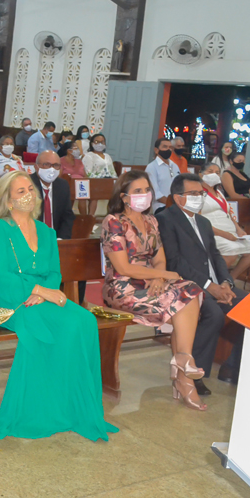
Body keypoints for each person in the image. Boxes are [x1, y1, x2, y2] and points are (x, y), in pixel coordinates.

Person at [0, 171, 118, 442]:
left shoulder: (46, 231)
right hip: (13, 299)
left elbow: (54, 272)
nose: (29, 194)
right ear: (8, 200)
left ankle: (71, 406)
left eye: (30, 188)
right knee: (54, 326)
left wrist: (46, 292)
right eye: (20, 191)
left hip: (44, 296)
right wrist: (38, 291)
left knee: (83, 322)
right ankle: (37, 409)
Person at [100, 171, 206, 411]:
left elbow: (160, 260)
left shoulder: (152, 221)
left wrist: (160, 275)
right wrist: (164, 276)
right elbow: (123, 266)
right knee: (182, 298)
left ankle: (183, 364)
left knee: (191, 291)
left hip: (150, 282)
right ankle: (183, 374)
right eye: (138, 191)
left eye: (147, 190)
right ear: (125, 197)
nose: (144, 195)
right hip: (122, 286)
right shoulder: (113, 221)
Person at [157, 174, 248, 391]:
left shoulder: (204, 222)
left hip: (215, 284)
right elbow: (175, 261)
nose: (200, 198)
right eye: (194, 194)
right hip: (188, 286)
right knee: (213, 315)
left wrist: (225, 282)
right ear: (178, 198)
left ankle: (231, 367)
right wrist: (210, 286)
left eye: (201, 193)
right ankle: (194, 374)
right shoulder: (165, 219)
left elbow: (215, 256)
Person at [200, 164, 250, 281]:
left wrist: (238, 229)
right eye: (210, 171)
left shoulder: (220, 193)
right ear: (201, 174)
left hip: (231, 233)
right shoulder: (198, 193)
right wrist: (225, 234)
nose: (214, 174)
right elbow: (199, 220)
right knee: (231, 251)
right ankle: (213, 280)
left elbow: (229, 214)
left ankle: (230, 279)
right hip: (214, 233)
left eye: (217, 172)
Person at [30, 151, 75, 239]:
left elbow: (67, 215)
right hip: (32, 238)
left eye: (56, 165)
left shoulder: (62, 185)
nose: (52, 169)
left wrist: (62, 238)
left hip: (56, 238)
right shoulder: (27, 184)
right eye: (46, 164)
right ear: (36, 167)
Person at [145, 137, 181, 212]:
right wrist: (170, 204)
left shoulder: (174, 166)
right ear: (156, 150)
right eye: (165, 147)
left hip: (176, 205)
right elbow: (155, 192)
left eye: (170, 147)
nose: (168, 149)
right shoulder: (152, 167)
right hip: (160, 207)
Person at [60, 138, 90, 215]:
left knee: (83, 197)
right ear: (69, 150)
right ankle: (67, 215)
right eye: (76, 148)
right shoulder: (61, 161)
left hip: (81, 187)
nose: (78, 150)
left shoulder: (79, 162)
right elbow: (59, 177)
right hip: (67, 185)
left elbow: (85, 176)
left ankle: (84, 218)